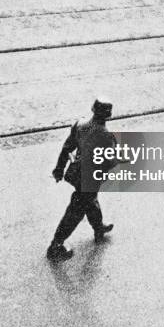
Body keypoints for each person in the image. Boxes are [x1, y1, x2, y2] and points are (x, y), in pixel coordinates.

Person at [47, 98, 116, 261]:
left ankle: (98, 227)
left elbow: (67, 148)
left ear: (93, 109)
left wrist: (59, 169)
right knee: (76, 210)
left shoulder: (79, 125)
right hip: (90, 179)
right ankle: (56, 245)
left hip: (75, 174)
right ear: (108, 116)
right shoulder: (107, 137)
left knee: (90, 201)